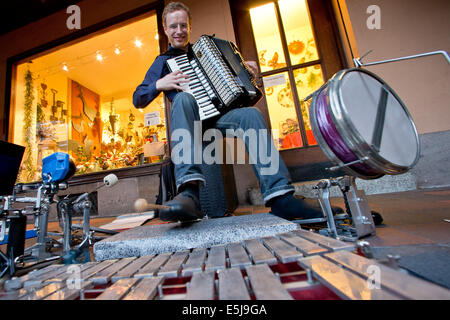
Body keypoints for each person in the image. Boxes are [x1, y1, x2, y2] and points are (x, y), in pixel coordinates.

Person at [133, 2, 327, 222]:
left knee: (251, 115)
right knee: (184, 98)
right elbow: (137, 98)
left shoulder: (205, 52)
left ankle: (280, 196)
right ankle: (189, 192)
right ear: (166, 30)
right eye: (173, 26)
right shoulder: (163, 62)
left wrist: (246, 71)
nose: (179, 31)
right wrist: (159, 84)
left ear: (189, 26)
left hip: (218, 117)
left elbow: (236, 84)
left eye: (183, 25)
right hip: (191, 123)